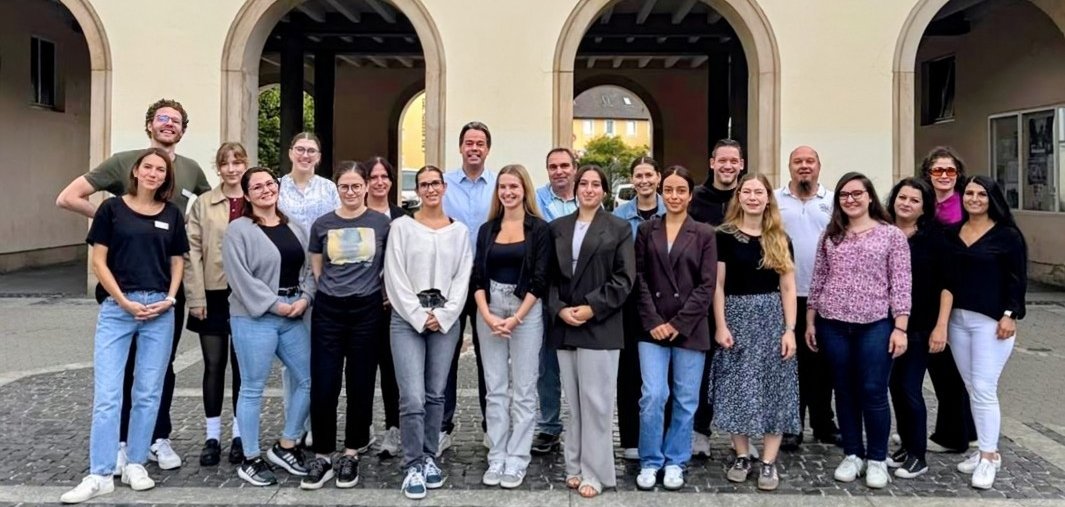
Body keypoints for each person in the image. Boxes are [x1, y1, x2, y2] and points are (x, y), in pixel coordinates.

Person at [56, 98, 209, 472]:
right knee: (122, 371)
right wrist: (115, 221)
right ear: (149, 125)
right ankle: (121, 442)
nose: (168, 125)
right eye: (162, 119)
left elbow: (208, 215)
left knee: (161, 369)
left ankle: (158, 437)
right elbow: (67, 197)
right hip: (123, 287)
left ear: (183, 130)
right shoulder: (124, 161)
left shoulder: (191, 170)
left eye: (176, 121)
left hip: (167, 286)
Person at [61, 148, 189, 503]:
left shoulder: (172, 214)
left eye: (160, 169)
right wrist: (123, 301)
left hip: (159, 311)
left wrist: (171, 297)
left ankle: (135, 462)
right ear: (135, 172)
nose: (153, 173)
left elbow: (177, 261)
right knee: (108, 395)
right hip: (119, 310)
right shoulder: (111, 209)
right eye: (147, 167)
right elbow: (99, 263)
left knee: (148, 392)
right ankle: (100, 473)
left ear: (167, 177)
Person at [806, 171, 911, 489]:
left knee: (873, 391)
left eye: (856, 193)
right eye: (844, 195)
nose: (850, 199)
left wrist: (901, 327)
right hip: (832, 323)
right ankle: (853, 453)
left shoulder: (891, 235)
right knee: (844, 389)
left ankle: (877, 458)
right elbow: (818, 278)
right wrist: (810, 319)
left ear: (869, 197)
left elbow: (902, 283)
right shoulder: (831, 235)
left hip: (876, 324)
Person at [301, 161, 392, 490]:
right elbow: (316, 261)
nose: (351, 192)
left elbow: (390, 262)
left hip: (367, 310)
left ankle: (351, 452)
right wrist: (327, 287)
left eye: (356, 186)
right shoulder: (323, 223)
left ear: (367, 186)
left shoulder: (381, 223)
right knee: (324, 384)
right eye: (345, 187)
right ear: (337, 189)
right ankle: (323, 454)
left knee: (361, 383)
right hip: (329, 309)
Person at [384, 165, 473, 500]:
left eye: (436, 183)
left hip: (445, 319)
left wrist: (445, 314)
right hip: (408, 318)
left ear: (444, 187)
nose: (431, 189)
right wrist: (420, 316)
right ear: (417, 190)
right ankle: (412, 463)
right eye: (424, 184)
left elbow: (463, 276)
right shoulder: (402, 227)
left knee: (436, 393)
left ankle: (430, 456)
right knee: (412, 397)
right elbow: (394, 275)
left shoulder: (459, 231)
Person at [223, 167, 316, 487]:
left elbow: (308, 270)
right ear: (247, 195)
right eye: (257, 186)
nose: (265, 190)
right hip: (254, 317)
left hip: (293, 314)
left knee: (308, 379)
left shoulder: (296, 226)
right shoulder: (239, 229)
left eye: (270, 184)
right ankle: (250, 457)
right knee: (252, 387)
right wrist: (275, 304)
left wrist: (305, 299)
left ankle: (286, 445)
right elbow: (239, 277)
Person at [548, 165, 635, 498]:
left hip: (600, 324)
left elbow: (624, 279)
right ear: (575, 187)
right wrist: (559, 309)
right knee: (574, 403)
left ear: (604, 191)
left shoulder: (618, 228)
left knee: (597, 403)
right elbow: (550, 279)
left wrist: (590, 308)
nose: (588, 189)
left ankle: (596, 473)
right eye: (583, 183)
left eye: (595, 184)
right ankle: (574, 466)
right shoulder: (558, 228)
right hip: (565, 325)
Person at [711, 174, 798, 491]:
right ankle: (742, 454)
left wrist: (790, 330)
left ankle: (769, 462)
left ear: (767, 198)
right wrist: (721, 324)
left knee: (774, 389)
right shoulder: (723, 236)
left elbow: (788, 286)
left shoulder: (779, 237)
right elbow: (717, 286)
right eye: (746, 191)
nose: (751, 197)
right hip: (735, 316)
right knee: (738, 388)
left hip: (772, 318)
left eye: (758, 192)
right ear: (738, 197)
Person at [632, 166, 716, 491]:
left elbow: (706, 286)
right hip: (651, 327)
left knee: (685, 398)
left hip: (690, 327)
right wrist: (654, 322)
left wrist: (678, 323)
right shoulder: (647, 230)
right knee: (653, 395)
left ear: (690, 195)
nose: (675, 196)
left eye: (681, 190)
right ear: (661, 192)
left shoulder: (705, 233)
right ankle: (650, 459)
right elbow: (639, 278)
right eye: (669, 190)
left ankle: (676, 460)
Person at [944, 175, 1027, 490]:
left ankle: (988, 457)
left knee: (983, 386)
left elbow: (1017, 278)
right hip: (958, 321)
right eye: (969, 193)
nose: (974, 198)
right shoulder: (953, 234)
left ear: (992, 198)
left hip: (991, 323)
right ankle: (983, 449)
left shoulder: (1007, 236)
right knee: (971, 386)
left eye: (981, 194)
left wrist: (1010, 314)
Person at [472, 164, 551, 488]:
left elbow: (540, 279)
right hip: (489, 309)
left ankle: (517, 459)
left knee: (524, 389)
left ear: (524, 190)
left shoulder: (539, 229)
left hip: (526, 311)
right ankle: (497, 456)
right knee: (495, 388)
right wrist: (488, 315)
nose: (508, 192)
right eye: (503, 187)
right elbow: (477, 276)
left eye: (513, 187)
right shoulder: (487, 229)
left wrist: (516, 318)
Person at [183, 142, 249, 467]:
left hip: (247, 296)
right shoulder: (204, 204)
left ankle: (240, 435)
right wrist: (194, 296)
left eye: (238, 162)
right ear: (218, 168)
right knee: (214, 365)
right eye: (226, 163)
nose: (232, 168)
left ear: (245, 165)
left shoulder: (256, 199)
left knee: (243, 367)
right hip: (212, 293)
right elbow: (191, 250)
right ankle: (212, 436)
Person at [774, 146, 841, 451]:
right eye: (797, 161)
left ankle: (824, 423)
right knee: (791, 364)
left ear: (819, 166)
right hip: (785, 296)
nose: (804, 166)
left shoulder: (832, 202)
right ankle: (792, 425)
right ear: (789, 167)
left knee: (823, 364)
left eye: (809, 161)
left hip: (824, 296)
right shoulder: (775, 200)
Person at [885, 177, 951, 480]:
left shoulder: (935, 238)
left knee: (909, 388)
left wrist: (941, 327)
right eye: (902, 197)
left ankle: (918, 455)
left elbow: (947, 286)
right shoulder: (883, 231)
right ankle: (907, 445)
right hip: (887, 322)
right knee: (894, 387)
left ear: (924, 208)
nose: (906, 204)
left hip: (921, 325)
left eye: (914, 200)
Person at [276, 131, 339, 448]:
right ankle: (294, 423)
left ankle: (318, 422)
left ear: (319, 156)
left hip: (323, 280)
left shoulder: (330, 190)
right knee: (292, 362)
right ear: (290, 152)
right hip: (285, 279)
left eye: (311, 150)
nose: (305, 155)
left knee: (321, 357)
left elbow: (341, 228)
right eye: (299, 149)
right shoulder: (276, 188)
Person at [918, 146, 978, 454]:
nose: (943, 176)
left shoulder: (966, 205)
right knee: (943, 367)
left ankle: (952, 434)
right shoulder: (925, 204)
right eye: (937, 170)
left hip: (957, 293)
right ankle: (965, 430)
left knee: (949, 369)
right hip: (929, 293)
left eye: (950, 171)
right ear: (928, 174)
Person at [441, 122, 495, 452]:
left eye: (480, 143)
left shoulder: (498, 185)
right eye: (469, 143)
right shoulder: (443, 184)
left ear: (488, 149)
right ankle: (442, 425)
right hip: (450, 280)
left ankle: (493, 425)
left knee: (489, 357)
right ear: (460, 147)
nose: (474, 148)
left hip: (488, 281)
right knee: (445, 355)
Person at [688, 138, 744, 457]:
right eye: (722, 160)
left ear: (741, 164)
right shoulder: (696, 199)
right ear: (712, 163)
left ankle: (742, 434)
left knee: (739, 368)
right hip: (703, 293)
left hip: (741, 293)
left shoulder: (750, 195)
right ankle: (700, 430)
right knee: (704, 366)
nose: (727, 166)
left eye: (733, 161)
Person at [612, 156, 664, 460]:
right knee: (629, 371)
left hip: (666, 302)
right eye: (638, 175)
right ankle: (631, 438)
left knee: (661, 375)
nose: (644, 180)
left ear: (658, 177)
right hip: (630, 303)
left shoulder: (671, 211)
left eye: (649, 174)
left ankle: (662, 436)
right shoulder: (620, 216)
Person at [532, 148, 578, 455]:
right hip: (547, 291)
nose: (559, 171)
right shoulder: (535, 200)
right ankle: (549, 426)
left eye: (564, 166)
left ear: (575, 168)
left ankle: (581, 425)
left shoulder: (589, 195)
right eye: (553, 166)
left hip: (581, 291)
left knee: (580, 365)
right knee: (546, 365)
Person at [365, 156, 408, 458]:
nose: (380, 182)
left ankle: (394, 428)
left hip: (394, 305)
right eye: (374, 177)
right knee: (362, 368)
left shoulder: (404, 218)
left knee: (392, 371)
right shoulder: (356, 214)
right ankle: (362, 427)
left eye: (385, 176)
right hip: (363, 303)